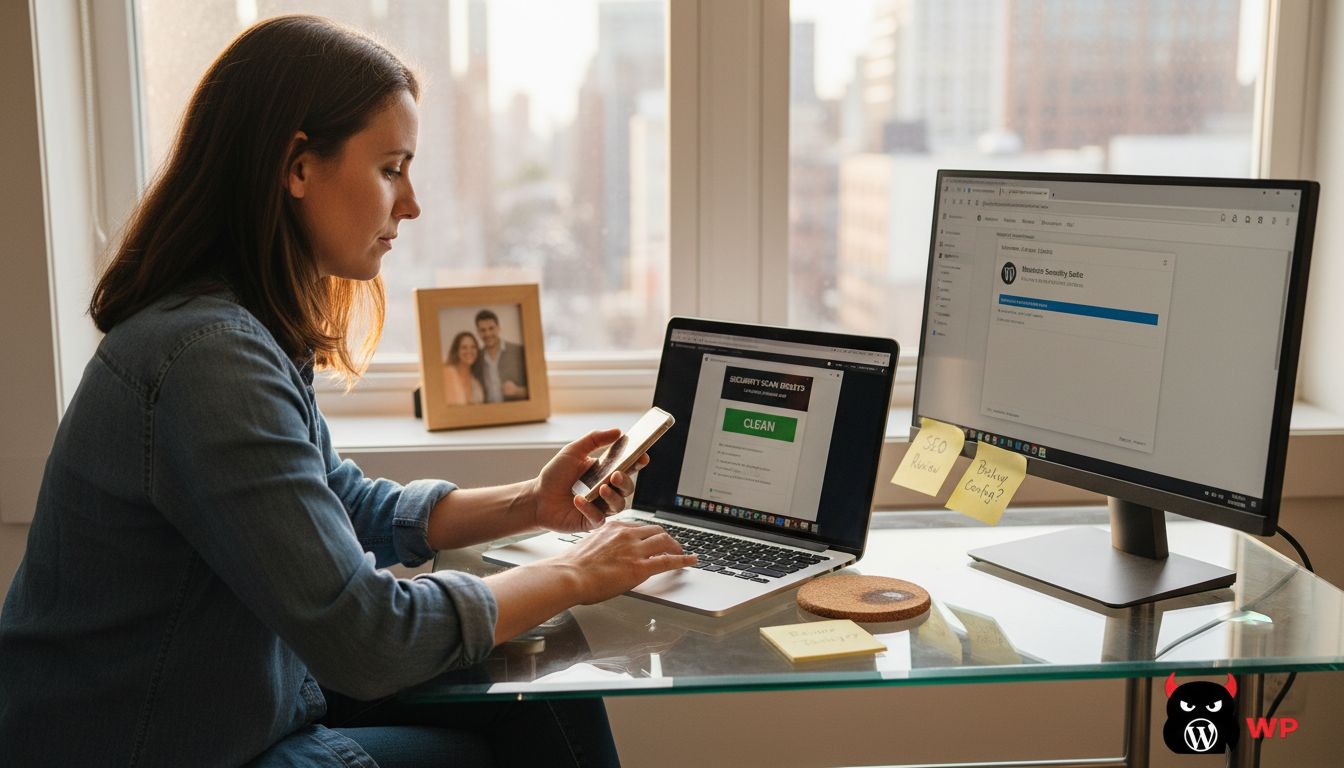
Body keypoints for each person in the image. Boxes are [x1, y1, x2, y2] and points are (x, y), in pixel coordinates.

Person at [0, 15, 695, 768]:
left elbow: (341, 503)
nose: (411, 203)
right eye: (391, 168)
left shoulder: (238, 328)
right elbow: (369, 637)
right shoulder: (208, 360)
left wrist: (531, 502)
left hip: (233, 699)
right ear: (298, 167)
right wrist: (575, 572)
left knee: (542, 682)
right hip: (154, 743)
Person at [473, 309, 529, 402]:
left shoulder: (519, 351)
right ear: (478, 332)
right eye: (483, 330)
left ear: (498, 328)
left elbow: (537, 389)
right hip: (488, 410)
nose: (488, 334)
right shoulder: (476, 358)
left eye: (491, 328)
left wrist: (517, 391)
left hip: (517, 410)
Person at [442, 330, 485, 405]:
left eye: (473, 347)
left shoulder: (476, 383)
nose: (469, 351)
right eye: (464, 347)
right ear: (456, 351)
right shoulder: (448, 373)